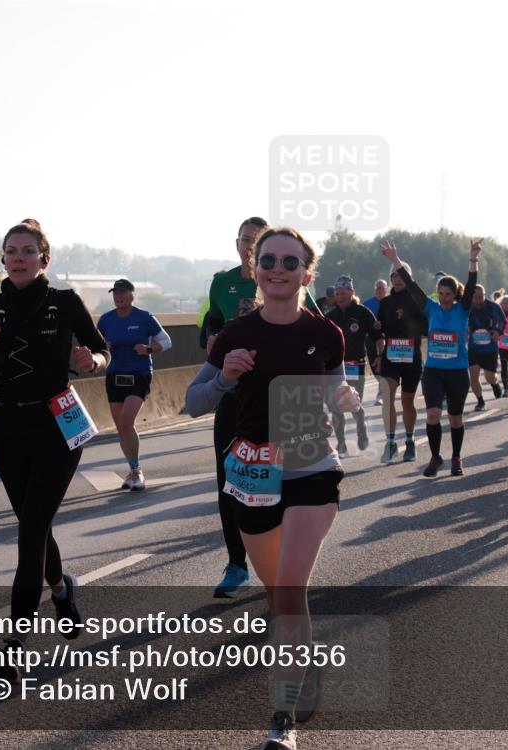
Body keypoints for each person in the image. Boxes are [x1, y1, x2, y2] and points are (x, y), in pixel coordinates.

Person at [185, 227, 360, 750]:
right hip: (254, 476)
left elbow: (335, 388)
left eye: (289, 260)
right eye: (267, 259)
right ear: (255, 266)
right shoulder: (236, 333)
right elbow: (193, 402)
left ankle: (280, 719)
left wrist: (346, 397)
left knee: (289, 589)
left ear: (307, 272)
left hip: (312, 469)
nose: (276, 268)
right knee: (278, 597)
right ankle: (302, 662)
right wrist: (225, 378)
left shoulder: (327, 334)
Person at [0, 219, 110, 680]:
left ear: (44, 259)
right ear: (2, 259)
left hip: (59, 424)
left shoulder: (65, 302)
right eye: (11, 250)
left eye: (28, 250)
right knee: (33, 523)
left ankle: (14, 643)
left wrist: (90, 360)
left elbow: (101, 349)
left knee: (33, 526)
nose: (18, 257)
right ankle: (60, 589)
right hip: (9, 426)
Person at [203, 217, 268, 598]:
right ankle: (236, 564)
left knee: (279, 484)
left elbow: (317, 328)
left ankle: (279, 562)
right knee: (228, 480)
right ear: (237, 243)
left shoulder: (283, 278)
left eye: (257, 240)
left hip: (277, 399)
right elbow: (212, 322)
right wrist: (211, 339)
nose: (249, 246)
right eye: (245, 240)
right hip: (232, 397)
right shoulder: (221, 283)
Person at [380, 240, 481, 477]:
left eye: (449, 294)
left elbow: (472, 283)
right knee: (433, 415)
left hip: (457, 372)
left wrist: (473, 259)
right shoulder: (431, 308)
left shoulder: (462, 310)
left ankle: (456, 456)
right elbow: (413, 286)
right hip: (434, 371)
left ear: (456, 295)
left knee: (455, 419)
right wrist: (396, 260)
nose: (445, 298)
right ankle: (436, 458)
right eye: (442, 294)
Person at [97, 278, 173, 491]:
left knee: (127, 422)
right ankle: (131, 470)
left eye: (123, 293)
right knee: (121, 429)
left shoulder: (144, 318)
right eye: (115, 293)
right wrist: (103, 346)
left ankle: (138, 472)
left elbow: (167, 342)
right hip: (114, 375)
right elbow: (96, 344)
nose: (118, 296)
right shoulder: (106, 320)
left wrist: (149, 350)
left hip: (138, 374)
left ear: (132, 295)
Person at [375, 242, 430, 464]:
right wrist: (379, 346)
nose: (397, 278)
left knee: (408, 401)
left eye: (401, 274)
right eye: (393, 275)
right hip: (390, 356)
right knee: (388, 395)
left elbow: (425, 328)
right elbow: (380, 331)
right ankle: (390, 443)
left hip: (411, 357)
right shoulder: (386, 302)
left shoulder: (416, 299)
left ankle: (409, 440)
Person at [326, 275, 384, 456]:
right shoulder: (330, 316)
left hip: (356, 365)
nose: (340, 296)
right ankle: (341, 443)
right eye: (337, 293)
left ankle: (361, 429)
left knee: (353, 404)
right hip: (335, 368)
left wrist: (380, 356)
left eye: (343, 292)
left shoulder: (362, 312)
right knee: (336, 407)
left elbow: (378, 337)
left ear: (351, 292)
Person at [466, 284, 506, 411]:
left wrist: (498, 332)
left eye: (481, 296)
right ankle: (480, 401)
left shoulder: (494, 307)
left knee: (489, 376)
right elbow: (460, 322)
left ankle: (494, 383)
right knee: (473, 373)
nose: (478, 300)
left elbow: (503, 322)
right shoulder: (467, 308)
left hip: (490, 348)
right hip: (473, 347)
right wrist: (465, 333)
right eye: (475, 297)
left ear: (485, 295)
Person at [363, 280, 388, 406]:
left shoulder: (391, 302)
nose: (379, 290)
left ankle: (381, 394)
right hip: (371, 339)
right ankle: (383, 386)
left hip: (387, 338)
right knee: (374, 366)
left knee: (383, 365)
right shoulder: (367, 303)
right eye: (377, 288)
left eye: (382, 288)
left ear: (386, 289)